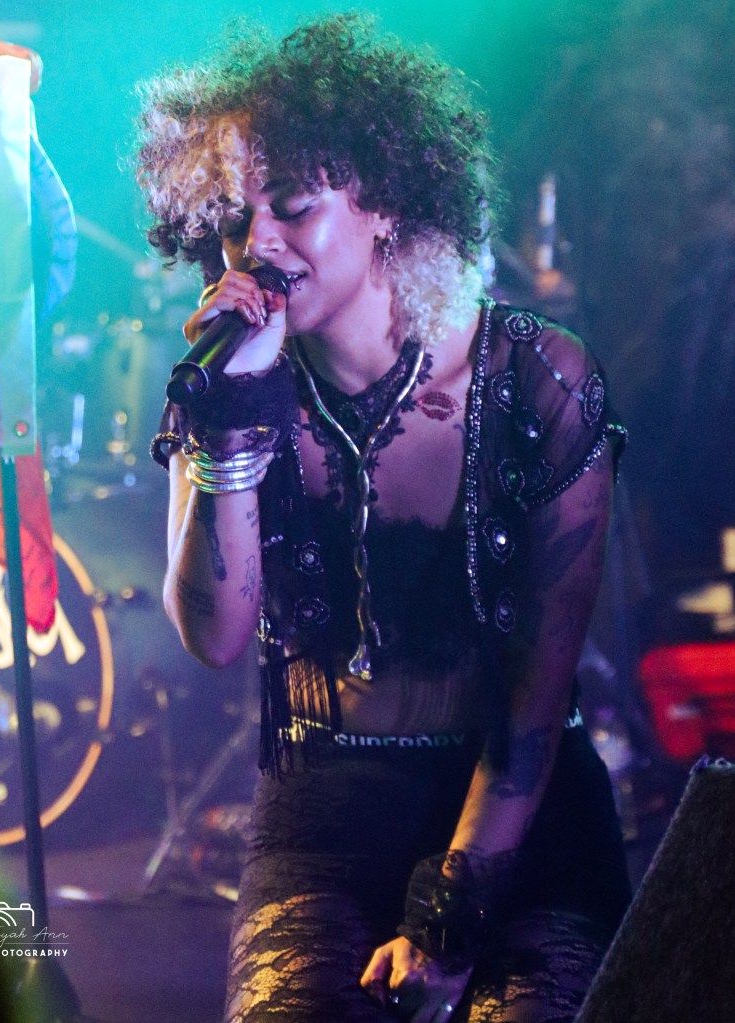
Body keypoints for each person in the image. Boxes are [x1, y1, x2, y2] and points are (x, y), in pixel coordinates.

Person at [140, 14, 631, 1022]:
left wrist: (446, 926)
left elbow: (534, 710)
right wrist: (234, 416)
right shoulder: (225, 383)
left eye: (293, 205)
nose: (256, 245)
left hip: (521, 824)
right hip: (323, 818)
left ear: (388, 206)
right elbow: (215, 637)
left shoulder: (538, 380)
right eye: (231, 218)